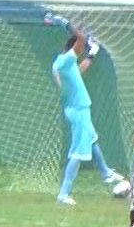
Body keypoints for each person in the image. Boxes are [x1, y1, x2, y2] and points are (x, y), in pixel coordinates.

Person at [51, 30, 124, 204]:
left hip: (77, 109)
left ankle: (106, 173)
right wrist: (71, 26)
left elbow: (79, 71)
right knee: (78, 152)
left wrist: (92, 55)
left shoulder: (63, 64)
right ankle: (63, 194)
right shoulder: (66, 60)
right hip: (78, 110)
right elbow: (81, 39)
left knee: (92, 140)